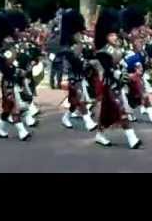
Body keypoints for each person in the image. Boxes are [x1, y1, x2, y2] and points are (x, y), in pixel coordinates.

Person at [93, 8, 143, 149]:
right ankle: (132, 138)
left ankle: (100, 134)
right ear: (105, 36)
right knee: (122, 111)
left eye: (115, 34)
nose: (115, 37)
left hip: (120, 85)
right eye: (111, 35)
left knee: (107, 114)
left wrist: (136, 65)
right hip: (111, 86)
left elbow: (123, 61)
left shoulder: (117, 47)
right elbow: (110, 70)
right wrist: (127, 76)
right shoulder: (102, 52)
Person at [0, 10, 32, 141]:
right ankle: (21, 130)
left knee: (7, 109)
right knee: (14, 106)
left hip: (17, 81)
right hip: (8, 82)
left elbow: (17, 65)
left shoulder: (12, 45)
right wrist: (12, 50)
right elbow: (7, 65)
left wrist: (22, 70)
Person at [59, 9, 98, 131]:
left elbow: (87, 57)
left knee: (76, 101)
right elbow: (74, 61)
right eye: (77, 34)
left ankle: (66, 117)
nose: (79, 36)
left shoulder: (79, 42)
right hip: (72, 77)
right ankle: (88, 121)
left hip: (82, 76)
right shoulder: (67, 47)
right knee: (80, 98)